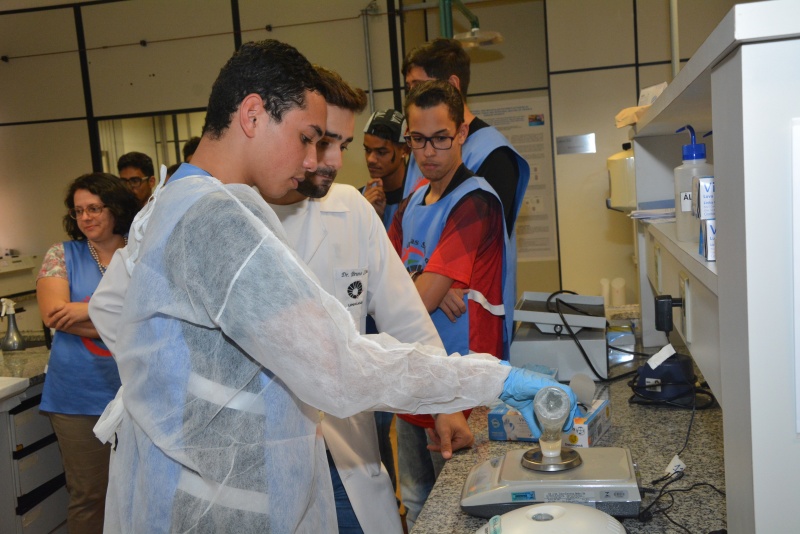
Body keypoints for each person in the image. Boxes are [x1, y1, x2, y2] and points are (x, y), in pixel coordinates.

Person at [88, 39, 576, 533]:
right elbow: (337, 367)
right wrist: (492, 380)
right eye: (306, 138)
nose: (312, 160)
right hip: (219, 500)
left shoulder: (179, 202)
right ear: (253, 115)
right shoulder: (216, 218)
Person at [263, 66, 475, 533]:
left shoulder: (351, 208)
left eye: (343, 143)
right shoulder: (237, 214)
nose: (336, 160)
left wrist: (444, 401)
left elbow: (406, 317)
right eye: (321, 142)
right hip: (268, 458)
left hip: (347, 451)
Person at [387, 79, 511, 528]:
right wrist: (425, 278)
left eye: (440, 138)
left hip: (461, 389)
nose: (428, 151)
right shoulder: (412, 202)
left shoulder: (475, 201)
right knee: (417, 503)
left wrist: (419, 284)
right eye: (417, 140)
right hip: (413, 381)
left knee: (459, 510)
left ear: (461, 133)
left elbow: (412, 302)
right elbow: (386, 284)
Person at [36, 173, 138, 533]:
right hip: (77, 397)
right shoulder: (61, 255)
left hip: (140, 392)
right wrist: (122, 315)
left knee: (140, 492)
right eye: (79, 211)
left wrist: (84, 310)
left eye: (95, 208)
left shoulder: (142, 249)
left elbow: (159, 316)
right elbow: (54, 315)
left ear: (117, 208)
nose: (86, 218)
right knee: (91, 496)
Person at [361, 109, 410, 230]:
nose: (371, 159)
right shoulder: (359, 200)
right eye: (367, 150)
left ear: (404, 150)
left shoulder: (419, 200)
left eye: (381, 152)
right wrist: (367, 217)